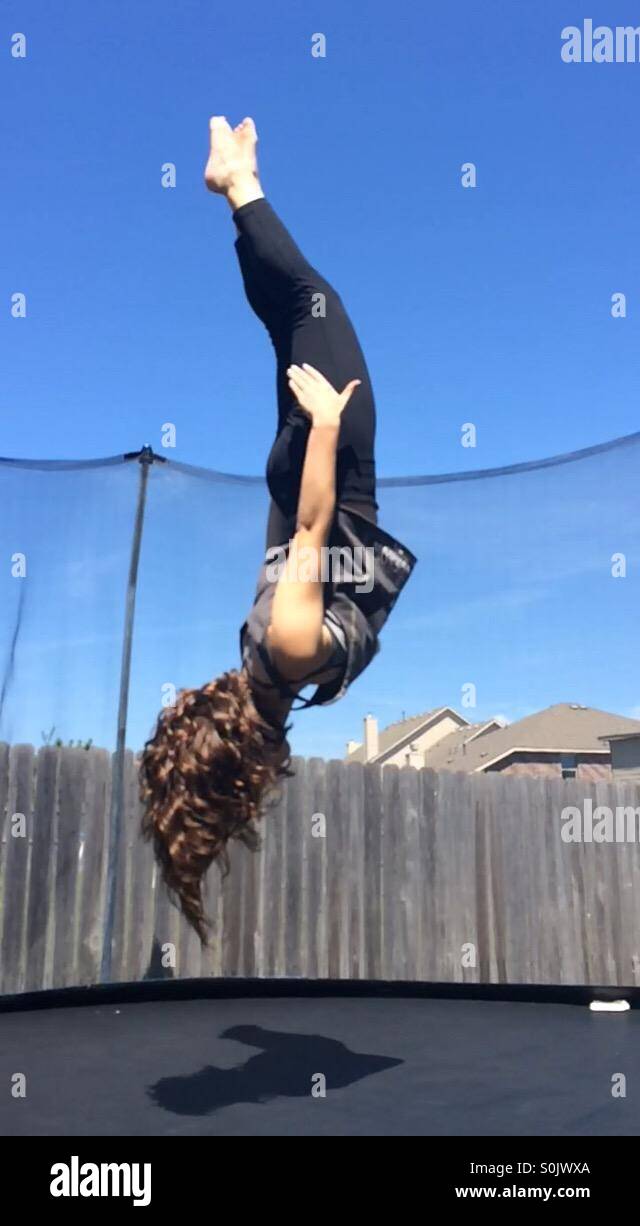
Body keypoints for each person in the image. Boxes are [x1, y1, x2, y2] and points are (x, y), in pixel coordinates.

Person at [139, 117, 416, 943]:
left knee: (308, 302)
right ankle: (234, 187)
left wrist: (326, 426)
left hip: (327, 464)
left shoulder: (292, 653)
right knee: (287, 322)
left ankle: (237, 184)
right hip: (298, 466)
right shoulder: (261, 654)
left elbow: (310, 526)